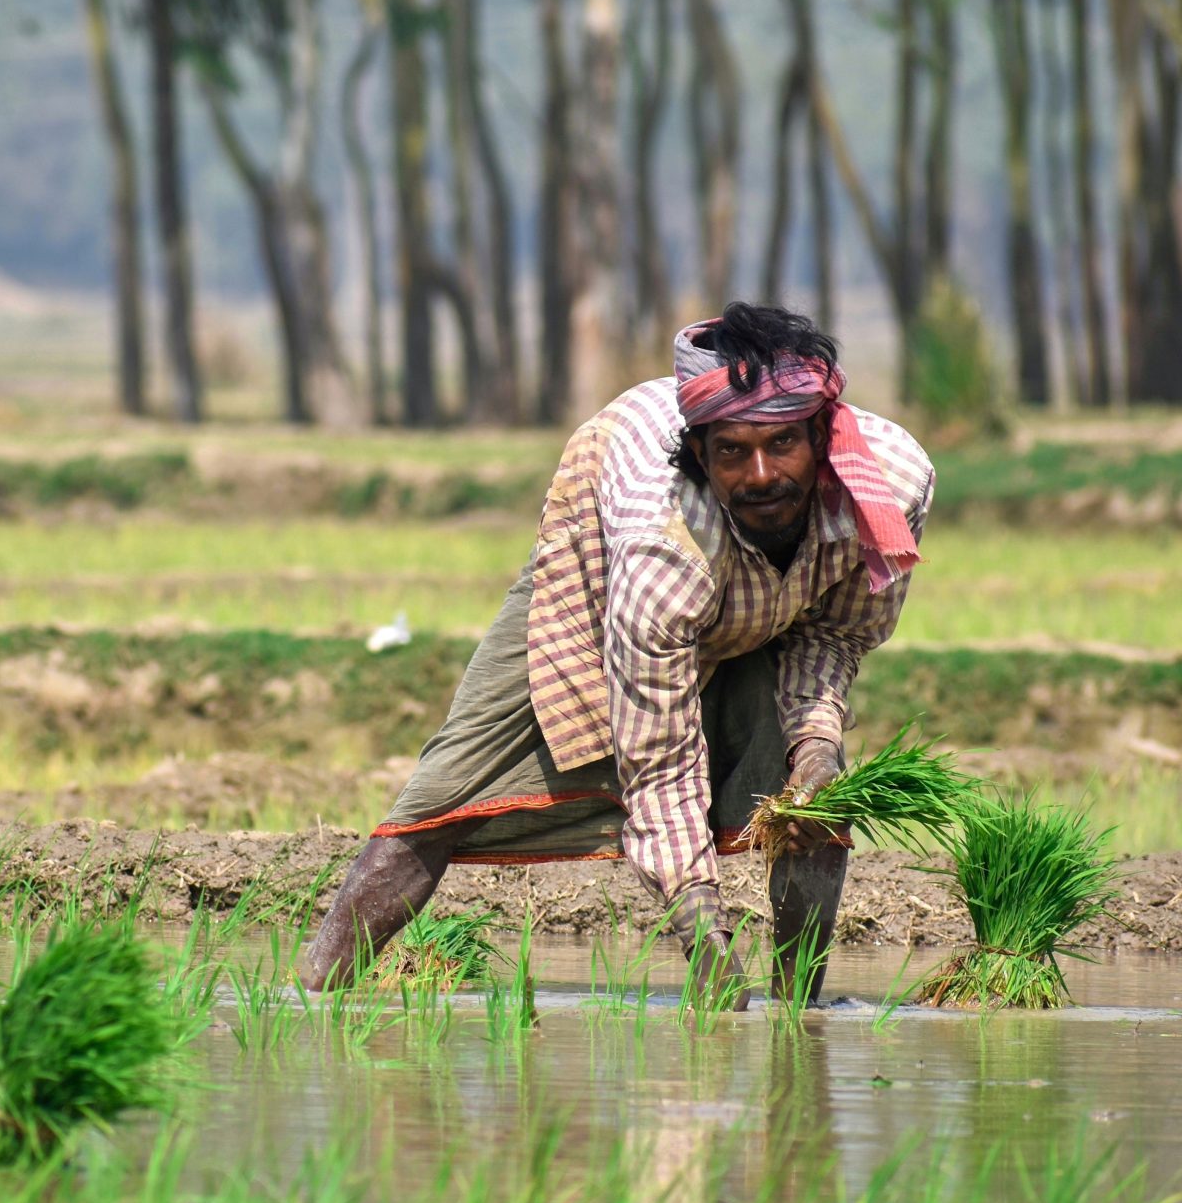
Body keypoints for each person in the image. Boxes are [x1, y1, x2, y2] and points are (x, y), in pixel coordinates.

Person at [298, 303, 934, 1010]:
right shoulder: (662, 541)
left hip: (765, 603)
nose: (761, 474)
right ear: (700, 454)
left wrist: (816, 741)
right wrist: (700, 925)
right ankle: (315, 994)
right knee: (447, 788)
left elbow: (836, 633)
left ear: (821, 433)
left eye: (783, 443)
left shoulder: (889, 488)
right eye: (732, 452)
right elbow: (659, 759)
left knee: (818, 794)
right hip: (600, 568)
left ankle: (800, 1011)